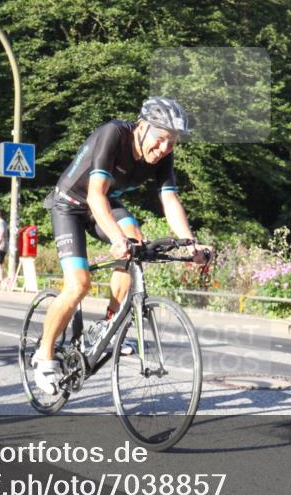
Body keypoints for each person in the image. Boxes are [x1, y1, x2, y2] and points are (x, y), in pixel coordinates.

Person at [32, 97, 210, 394]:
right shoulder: (113, 134)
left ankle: (109, 324)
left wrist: (191, 245)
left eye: (172, 142)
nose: (164, 148)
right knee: (78, 285)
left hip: (105, 204)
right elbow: (95, 195)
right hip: (72, 204)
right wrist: (117, 239)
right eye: (160, 138)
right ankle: (44, 356)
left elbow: (169, 199)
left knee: (136, 241)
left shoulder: (164, 155)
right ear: (142, 127)